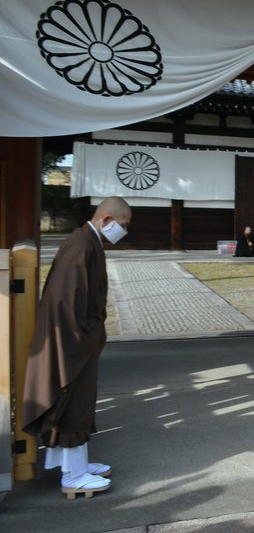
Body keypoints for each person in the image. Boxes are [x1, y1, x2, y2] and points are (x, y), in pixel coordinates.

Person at [21, 196, 132, 499]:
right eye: (123, 225)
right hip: (70, 342)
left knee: (79, 404)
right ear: (106, 220)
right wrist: (83, 340)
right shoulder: (81, 246)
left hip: (79, 339)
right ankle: (73, 476)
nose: (123, 231)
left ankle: (76, 464)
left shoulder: (88, 241)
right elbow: (65, 301)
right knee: (72, 403)